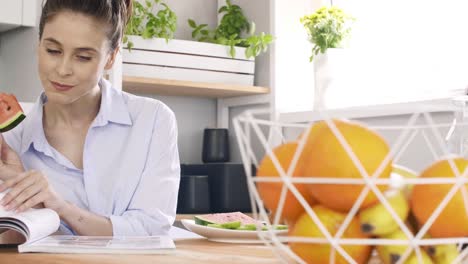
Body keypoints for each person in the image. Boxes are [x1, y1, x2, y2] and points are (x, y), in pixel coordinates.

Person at [0, 0, 180, 237]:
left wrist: (60, 208)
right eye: (53, 51)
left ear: (111, 58)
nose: (63, 69)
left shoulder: (153, 120)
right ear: (39, 44)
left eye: (83, 57)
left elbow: (152, 229)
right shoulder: (9, 141)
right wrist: (20, 199)